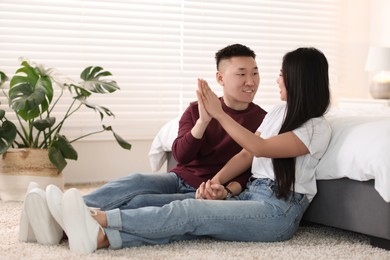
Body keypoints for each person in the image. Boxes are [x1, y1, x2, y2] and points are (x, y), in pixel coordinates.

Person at [33, 46, 331, 254]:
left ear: (299, 79)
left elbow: (259, 147)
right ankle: (97, 237)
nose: (275, 79)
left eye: (282, 73)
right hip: (251, 193)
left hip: (278, 212)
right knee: (177, 217)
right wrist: (218, 186)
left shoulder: (316, 127)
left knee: (189, 211)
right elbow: (245, 156)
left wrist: (219, 114)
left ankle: (96, 218)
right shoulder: (279, 113)